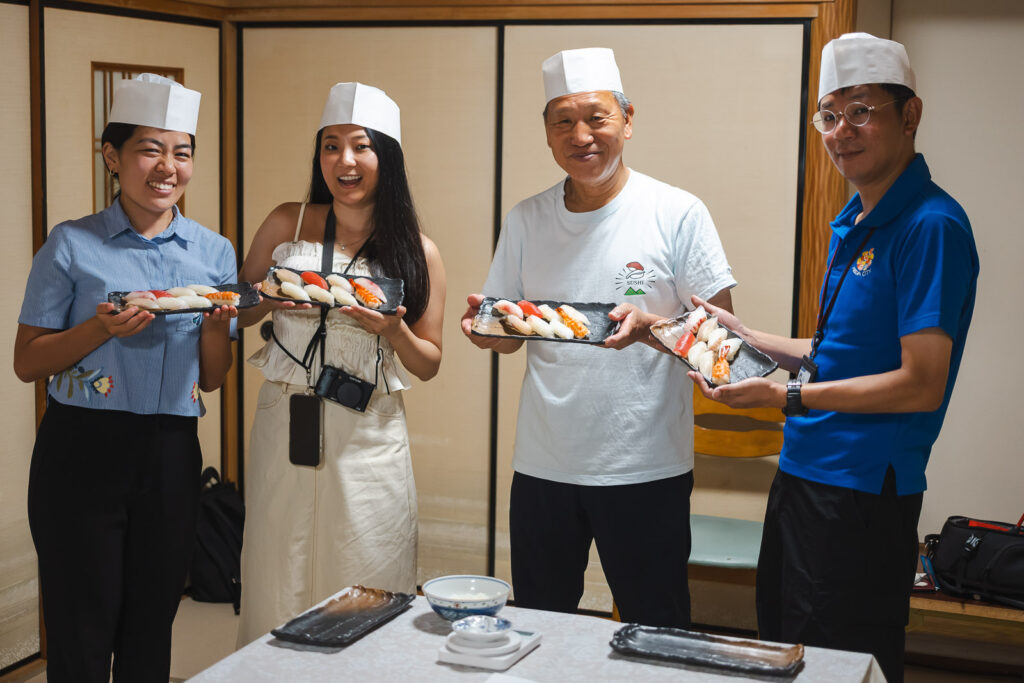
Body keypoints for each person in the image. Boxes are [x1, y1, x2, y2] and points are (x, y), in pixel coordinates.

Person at [689, 33, 978, 682]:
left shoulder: (931, 224)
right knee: (787, 650)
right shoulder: (857, 216)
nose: (841, 131)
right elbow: (838, 353)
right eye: (829, 114)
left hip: (861, 494)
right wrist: (751, 335)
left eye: (861, 111)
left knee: (842, 664)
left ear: (910, 115)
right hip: (805, 472)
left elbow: (921, 381)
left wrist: (785, 396)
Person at [461, 48, 735, 627]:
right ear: (547, 132)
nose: (580, 134)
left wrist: (651, 329)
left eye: (597, 117)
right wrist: (487, 332)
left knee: (654, 626)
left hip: (643, 465)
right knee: (539, 620)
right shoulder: (527, 218)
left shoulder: (676, 212)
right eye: (563, 120)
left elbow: (722, 340)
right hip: (543, 464)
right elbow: (510, 333)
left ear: (628, 122)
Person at [14, 74, 238, 682]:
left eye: (182, 152)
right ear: (112, 156)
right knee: (81, 628)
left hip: (170, 454)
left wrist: (217, 324)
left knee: (151, 625)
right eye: (149, 149)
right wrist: (100, 329)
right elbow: (28, 362)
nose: (167, 167)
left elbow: (213, 379)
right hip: (79, 451)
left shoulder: (213, 253)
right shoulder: (71, 244)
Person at [235, 82, 446, 645]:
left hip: (369, 430)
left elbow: (427, 363)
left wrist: (393, 328)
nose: (344, 161)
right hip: (287, 417)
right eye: (330, 146)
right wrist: (266, 300)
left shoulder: (418, 249)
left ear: (387, 158)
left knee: (367, 562)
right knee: (278, 561)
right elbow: (231, 308)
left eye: (360, 146)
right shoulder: (287, 220)